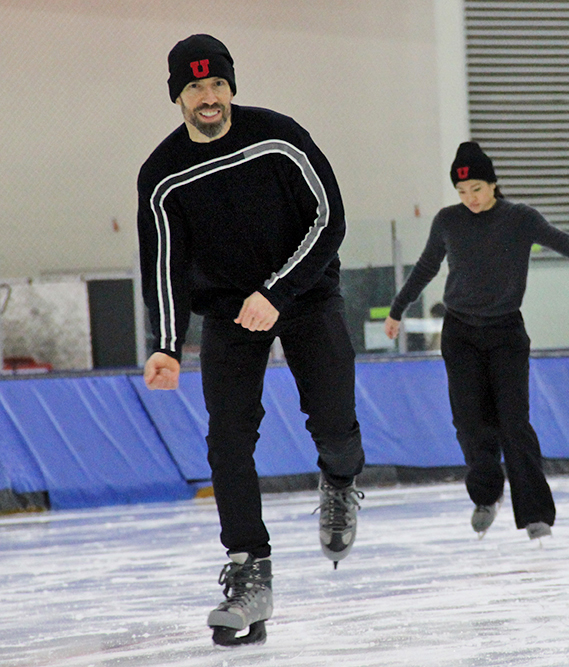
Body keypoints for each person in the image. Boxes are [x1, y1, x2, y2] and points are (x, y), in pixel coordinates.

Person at [137, 34, 365, 645]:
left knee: (334, 424)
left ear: (231, 87)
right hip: (228, 313)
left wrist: (278, 293)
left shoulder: (278, 137)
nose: (207, 98)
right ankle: (249, 572)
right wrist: (164, 342)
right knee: (227, 438)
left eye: (216, 85)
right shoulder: (162, 177)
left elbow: (330, 220)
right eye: (193, 88)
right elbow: (163, 265)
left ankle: (340, 482)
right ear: (177, 97)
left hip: (305, 292)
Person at [385, 142, 569, 541]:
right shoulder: (448, 221)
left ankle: (536, 514)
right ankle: (486, 494)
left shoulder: (519, 218)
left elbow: (558, 239)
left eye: (476, 189)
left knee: (514, 424)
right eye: (462, 193)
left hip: (505, 334)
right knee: (469, 422)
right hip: (460, 333)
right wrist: (397, 309)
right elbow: (427, 266)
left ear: (493, 183)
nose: (470, 199)